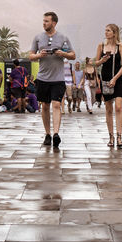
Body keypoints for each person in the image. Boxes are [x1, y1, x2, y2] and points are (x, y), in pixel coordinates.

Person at [28, 11, 75, 149]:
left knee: (56, 105)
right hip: (42, 78)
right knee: (45, 106)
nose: (44, 24)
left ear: (54, 23)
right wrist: (38, 55)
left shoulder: (63, 38)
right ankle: (47, 134)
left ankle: (56, 134)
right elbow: (30, 56)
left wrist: (63, 53)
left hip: (58, 79)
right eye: (43, 21)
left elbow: (72, 55)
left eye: (47, 21)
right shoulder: (38, 38)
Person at [94, 22, 122, 149]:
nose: (106, 32)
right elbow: (95, 63)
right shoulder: (101, 46)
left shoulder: (121, 47)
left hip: (118, 78)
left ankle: (119, 136)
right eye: (105, 30)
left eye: (108, 30)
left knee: (118, 107)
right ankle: (111, 136)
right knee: (108, 109)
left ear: (114, 33)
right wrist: (101, 61)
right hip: (106, 80)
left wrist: (115, 78)